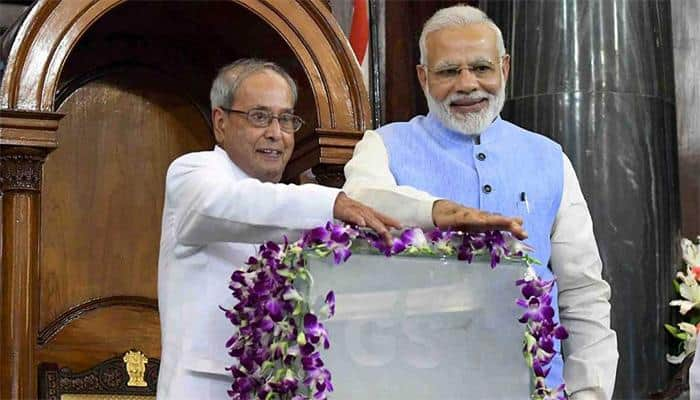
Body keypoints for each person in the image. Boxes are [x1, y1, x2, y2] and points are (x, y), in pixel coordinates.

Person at [156, 58, 527, 399]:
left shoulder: (295, 200)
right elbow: (237, 203)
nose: (276, 133)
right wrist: (334, 204)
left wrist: (435, 213)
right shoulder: (194, 174)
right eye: (259, 117)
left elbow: (364, 210)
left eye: (286, 120)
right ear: (221, 122)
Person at [343, 5, 618, 400]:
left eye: (482, 68)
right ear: (423, 77)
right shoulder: (384, 146)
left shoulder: (550, 158)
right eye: (448, 71)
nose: (468, 84)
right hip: (415, 385)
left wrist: (589, 392)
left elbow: (582, 292)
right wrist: (436, 212)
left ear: (504, 69)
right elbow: (362, 201)